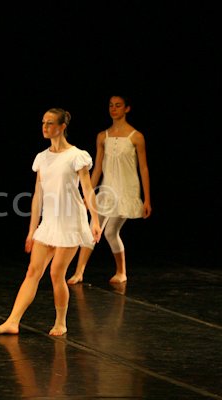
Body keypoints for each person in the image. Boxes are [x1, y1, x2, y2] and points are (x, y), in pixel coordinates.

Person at [0, 108, 101, 336]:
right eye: (43, 122)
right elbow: (38, 195)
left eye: (50, 123)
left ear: (62, 127)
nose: (45, 127)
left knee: (56, 273)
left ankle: (61, 322)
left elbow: (88, 189)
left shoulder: (76, 156)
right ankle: (12, 321)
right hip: (50, 221)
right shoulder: (42, 158)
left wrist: (95, 220)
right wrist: (32, 230)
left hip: (70, 220)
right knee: (33, 271)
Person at [67, 95, 151, 285]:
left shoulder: (136, 137)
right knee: (98, 230)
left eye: (118, 105)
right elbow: (97, 168)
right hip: (107, 190)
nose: (113, 109)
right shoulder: (102, 137)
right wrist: (88, 193)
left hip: (127, 190)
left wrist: (147, 199)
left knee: (108, 231)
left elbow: (143, 168)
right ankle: (81, 272)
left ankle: (119, 272)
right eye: (111, 105)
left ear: (127, 108)